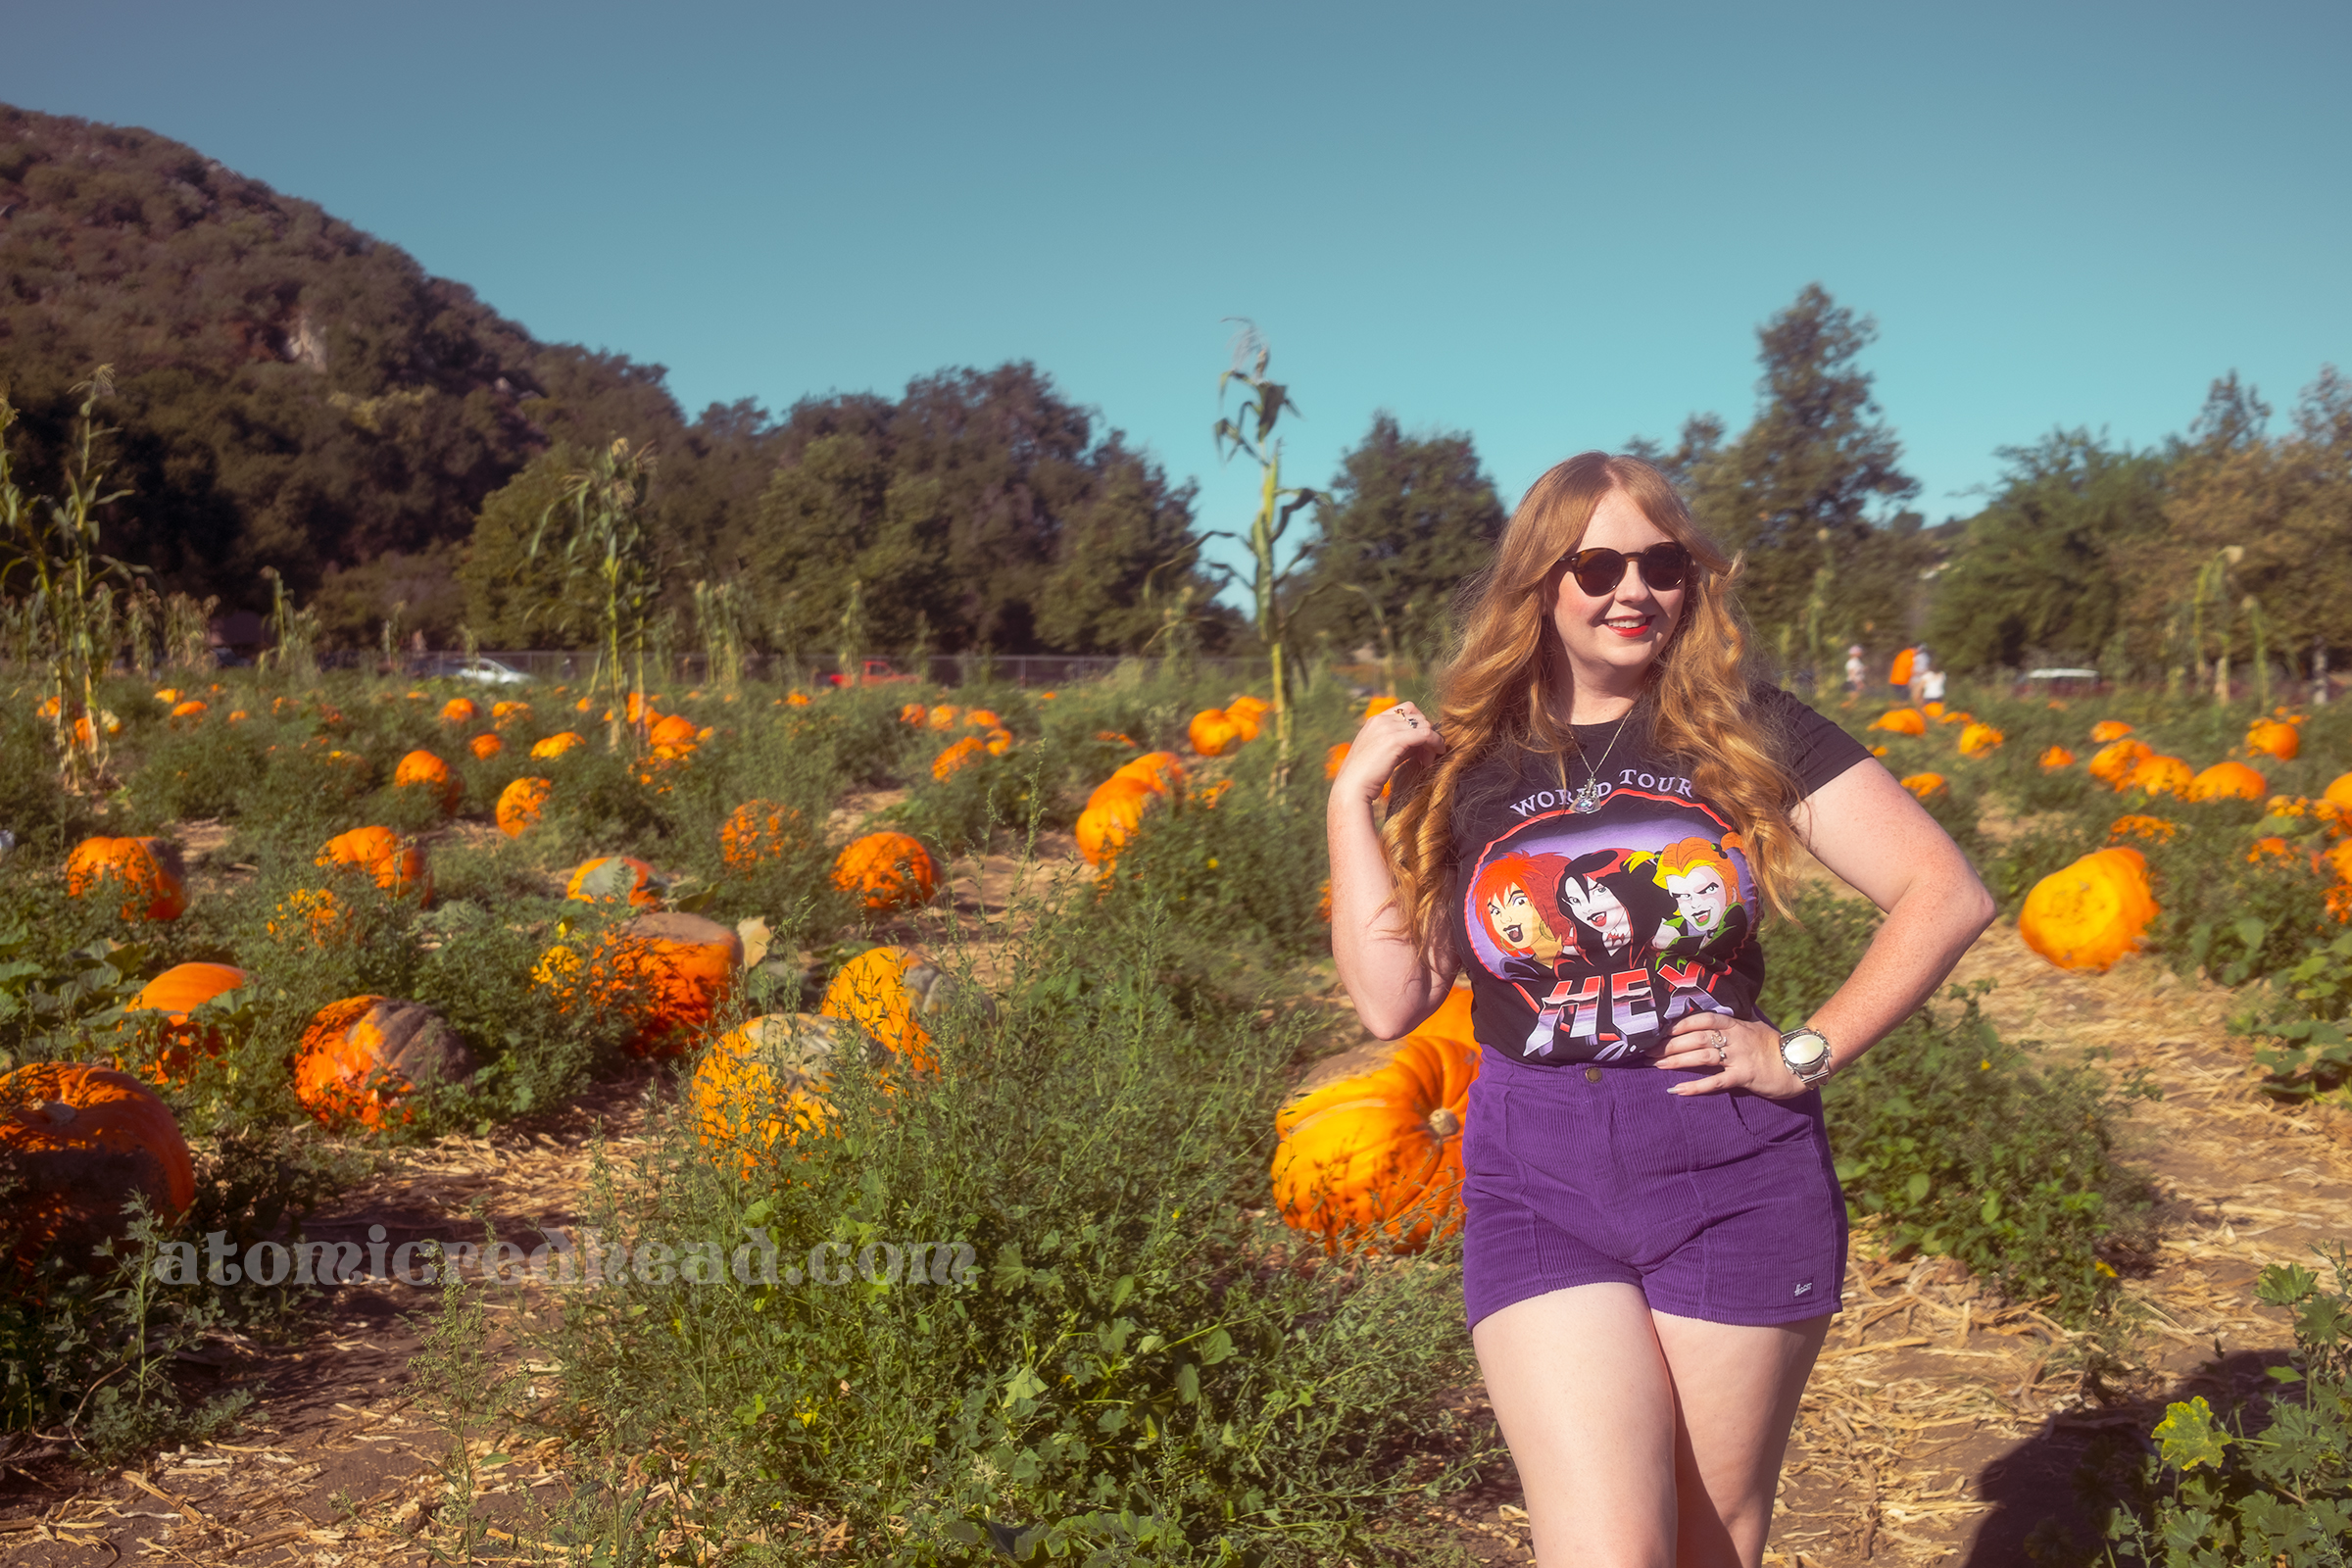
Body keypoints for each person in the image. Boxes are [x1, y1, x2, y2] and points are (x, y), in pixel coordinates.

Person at [1325, 452, 1993, 1567]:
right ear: (1541, 583)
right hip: (1537, 1174)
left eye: (1662, 564)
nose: (1632, 590)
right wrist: (1351, 799)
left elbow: (1945, 891)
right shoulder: (1473, 758)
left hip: (1733, 1168)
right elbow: (1392, 998)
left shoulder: (1748, 727)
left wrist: (1805, 1051)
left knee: (1709, 1543)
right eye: (1597, 567)